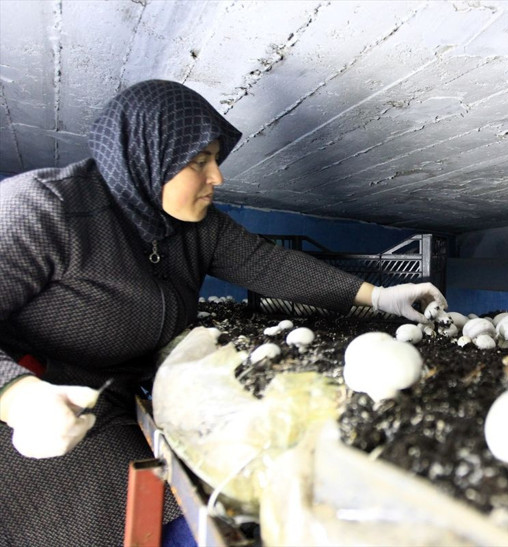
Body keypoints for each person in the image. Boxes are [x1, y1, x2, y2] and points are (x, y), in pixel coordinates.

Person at [0, 79, 446, 546]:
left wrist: (377, 296)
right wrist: (17, 397)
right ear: (148, 156)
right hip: (39, 421)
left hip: (115, 397)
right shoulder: (43, 209)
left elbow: (269, 264)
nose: (218, 177)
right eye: (199, 162)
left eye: (214, 159)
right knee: (141, 521)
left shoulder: (193, 227)